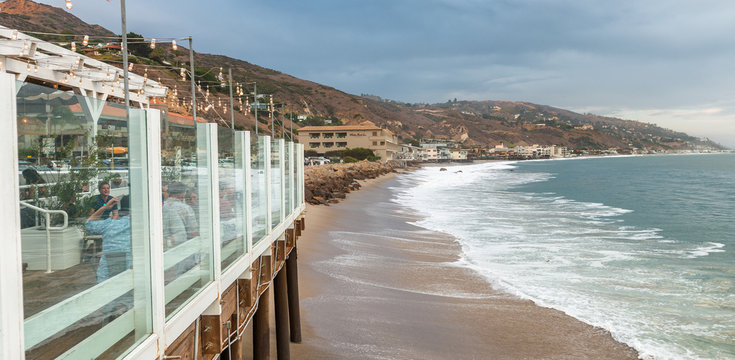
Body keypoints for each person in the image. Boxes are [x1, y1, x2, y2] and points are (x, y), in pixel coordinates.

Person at [86, 195, 131, 282]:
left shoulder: (109, 225)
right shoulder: (140, 225)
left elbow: (89, 223)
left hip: (106, 279)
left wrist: (105, 207)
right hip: (130, 278)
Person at [162, 182, 198, 248]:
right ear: (183, 194)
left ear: (169, 193)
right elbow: (193, 233)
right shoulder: (186, 209)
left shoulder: (162, 207)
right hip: (182, 248)